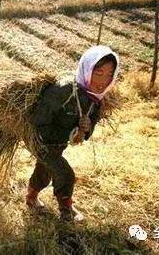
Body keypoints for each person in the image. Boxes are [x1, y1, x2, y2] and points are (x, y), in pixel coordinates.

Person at [26, 45, 120, 221]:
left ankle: (31, 198)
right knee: (65, 173)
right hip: (41, 140)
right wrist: (67, 132)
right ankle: (66, 210)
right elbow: (40, 122)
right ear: (87, 69)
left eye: (109, 75)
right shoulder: (62, 91)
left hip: (58, 144)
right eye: (98, 73)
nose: (103, 81)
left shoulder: (96, 99)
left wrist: (86, 127)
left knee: (44, 171)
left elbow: (89, 129)